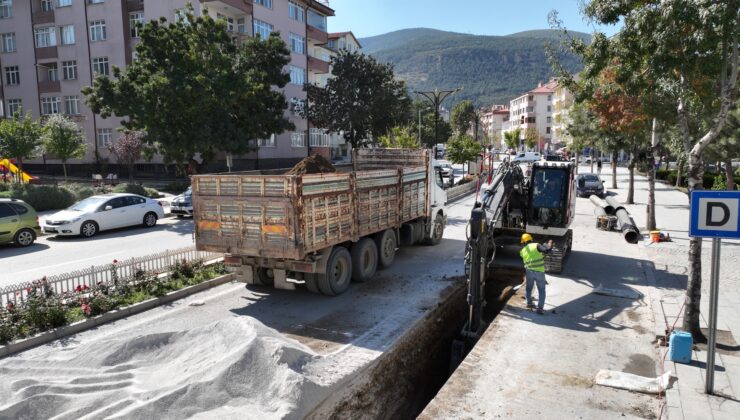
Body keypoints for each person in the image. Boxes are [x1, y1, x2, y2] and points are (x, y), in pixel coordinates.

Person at [519, 233, 553, 314]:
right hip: (539, 272)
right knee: (541, 290)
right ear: (531, 239)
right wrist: (549, 244)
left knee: (529, 288)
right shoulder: (536, 245)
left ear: (523, 242)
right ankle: (540, 309)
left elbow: (531, 257)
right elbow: (546, 250)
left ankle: (529, 303)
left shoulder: (522, 251)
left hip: (529, 272)